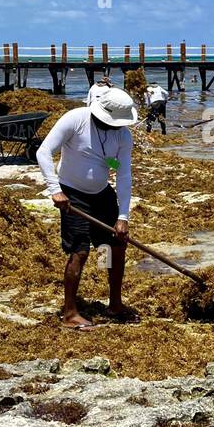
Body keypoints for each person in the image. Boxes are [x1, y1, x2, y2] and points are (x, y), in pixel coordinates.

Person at [36, 84, 138, 328]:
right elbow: (44, 151)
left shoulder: (123, 135)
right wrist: (55, 191)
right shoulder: (76, 119)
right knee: (80, 252)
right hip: (72, 192)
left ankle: (114, 303)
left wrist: (123, 216)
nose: (115, 126)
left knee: (113, 246)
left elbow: (123, 175)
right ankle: (70, 313)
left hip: (102, 194)